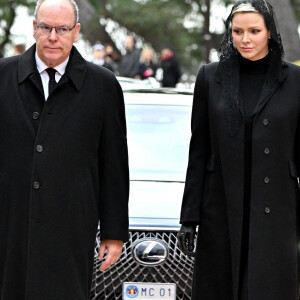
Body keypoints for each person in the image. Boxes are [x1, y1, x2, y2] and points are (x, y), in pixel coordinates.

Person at [0, 0, 129, 299]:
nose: (53, 37)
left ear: (76, 32)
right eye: (45, 27)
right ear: (34, 28)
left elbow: (113, 164)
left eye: (62, 29)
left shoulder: (103, 86)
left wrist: (113, 231)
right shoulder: (3, 77)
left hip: (71, 228)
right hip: (10, 226)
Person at [178, 0, 300, 299]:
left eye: (254, 31)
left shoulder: (296, 81)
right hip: (220, 210)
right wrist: (189, 220)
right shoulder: (210, 77)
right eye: (238, 31)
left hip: (277, 214)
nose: (245, 39)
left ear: (269, 32)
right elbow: (199, 151)